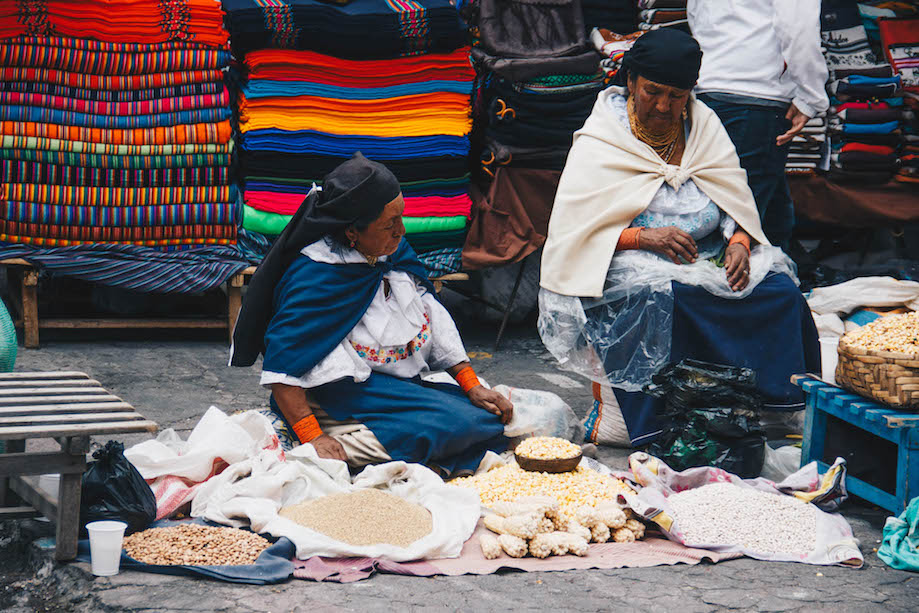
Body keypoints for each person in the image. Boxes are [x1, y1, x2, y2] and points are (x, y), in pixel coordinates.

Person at [538, 29, 819, 447]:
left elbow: (732, 198)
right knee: (662, 297)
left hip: (706, 255)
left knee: (780, 293)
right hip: (629, 259)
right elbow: (576, 229)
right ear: (630, 81)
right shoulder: (603, 138)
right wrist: (643, 237)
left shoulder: (704, 127)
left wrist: (740, 241)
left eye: (676, 95)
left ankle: (767, 412)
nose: (664, 106)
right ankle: (656, 421)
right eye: (653, 91)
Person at [230, 153, 512, 477]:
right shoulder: (315, 278)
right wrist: (313, 437)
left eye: (401, 217)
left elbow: (431, 315)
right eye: (390, 224)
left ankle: (392, 445)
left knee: (485, 419)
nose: (401, 231)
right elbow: (282, 371)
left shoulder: (390, 251)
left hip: (394, 386)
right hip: (340, 393)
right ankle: (329, 441)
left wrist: (471, 384)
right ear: (352, 232)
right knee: (453, 428)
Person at [686, 1, 830, 251]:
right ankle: (738, 285)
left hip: (711, 90)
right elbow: (798, 28)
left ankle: (786, 279)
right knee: (740, 222)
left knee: (759, 207)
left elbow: (696, 17)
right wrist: (811, 96)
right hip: (757, 95)